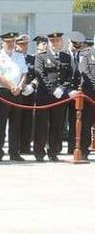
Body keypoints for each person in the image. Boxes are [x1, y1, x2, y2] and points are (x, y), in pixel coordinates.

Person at [0, 31, 30, 162]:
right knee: (0, 123)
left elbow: (24, 73)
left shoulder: (19, 56)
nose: (11, 44)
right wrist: (11, 86)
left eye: (13, 42)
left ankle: (14, 152)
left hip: (17, 92)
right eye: (8, 42)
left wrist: (19, 86)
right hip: (3, 92)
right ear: (2, 43)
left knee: (16, 123)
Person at [34, 32, 73, 162]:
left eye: (57, 41)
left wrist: (62, 88)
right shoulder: (41, 56)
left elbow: (70, 75)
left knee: (57, 125)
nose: (55, 43)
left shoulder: (66, 57)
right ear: (49, 42)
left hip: (60, 96)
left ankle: (53, 151)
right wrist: (52, 89)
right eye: (52, 41)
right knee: (41, 125)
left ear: (61, 42)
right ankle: (39, 152)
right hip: (44, 96)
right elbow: (40, 74)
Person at [16, 35, 38, 154]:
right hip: (16, 92)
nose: (23, 47)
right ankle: (15, 146)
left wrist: (32, 86)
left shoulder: (32, 59)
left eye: (25, 44)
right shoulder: (13, 58)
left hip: (29, 93)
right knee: (15, 120)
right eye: (21, 44)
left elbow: (38, 75)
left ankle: (25, 146)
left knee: (28, 120)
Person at [77, 34, 95, 159]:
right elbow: (84, 71)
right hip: (90, 93)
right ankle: (84, 150)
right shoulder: (86, 53)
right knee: (87, 122)